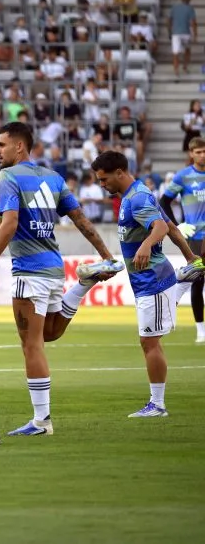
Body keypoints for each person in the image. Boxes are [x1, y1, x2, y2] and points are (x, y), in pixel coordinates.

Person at [0, 122, 121, 437]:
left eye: (1, 145)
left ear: (19, 146)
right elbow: (80, 218)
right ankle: (83, 283)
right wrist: (106, 254)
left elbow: (9, 222)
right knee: (49, 335)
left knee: (31, 346)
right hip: (54, 268)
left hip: (29, 270)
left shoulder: (8, 177)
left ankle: (41, 421)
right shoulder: (54, 177)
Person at [91, 150, 205, 416]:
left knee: (149, 342)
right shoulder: (136, 193)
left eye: (104, 179)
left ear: (120, 173)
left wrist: (145, 244)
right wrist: (191, 259)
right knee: (151, 338)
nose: (102, 185)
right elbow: (172, 227)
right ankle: (184, 277)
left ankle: (158, 405)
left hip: (151, 280)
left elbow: (162, 228)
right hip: (149, 279)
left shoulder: (137, 197)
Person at [160, 137, 205, 343]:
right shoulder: (183, 177)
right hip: (195, 235)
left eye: (204, 151)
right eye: (198, 152)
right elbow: (164, 201)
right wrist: (177, 225)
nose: (202, 155)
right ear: (191, 153)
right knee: (198, 280)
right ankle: (201, 330)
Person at [167, 0, 197, 75]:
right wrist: (195, 34)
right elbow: (193, 22)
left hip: (176, 33)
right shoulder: (190, 8)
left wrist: (169, 31)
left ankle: (176, 70)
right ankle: (185, 66)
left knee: (176, 52)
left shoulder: (174, 8)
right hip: (185, 32)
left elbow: (169, 20)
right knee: (187, 50)